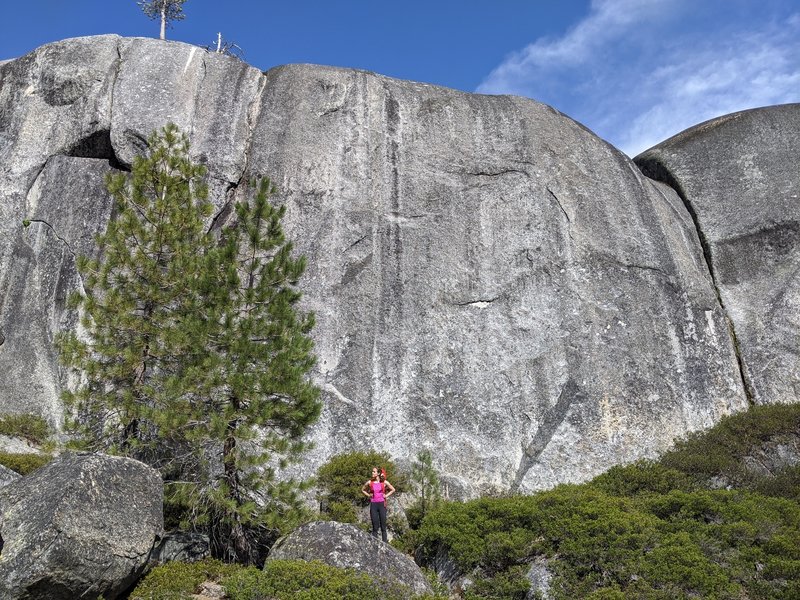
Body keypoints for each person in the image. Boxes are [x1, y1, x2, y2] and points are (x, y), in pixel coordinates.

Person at [362, 466, 395, 542]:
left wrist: (386, 495)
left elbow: (393, 489)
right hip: (373, 505)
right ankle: (375, 545)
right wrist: (368, 495)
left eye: (374, 472)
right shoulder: (370, 482)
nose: (372, 473)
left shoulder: (384, 482)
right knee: (375, 526)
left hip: (382, 505)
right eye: (372, 471)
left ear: (378, 473)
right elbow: (363, 489)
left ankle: (385, 545)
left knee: (383, 526)